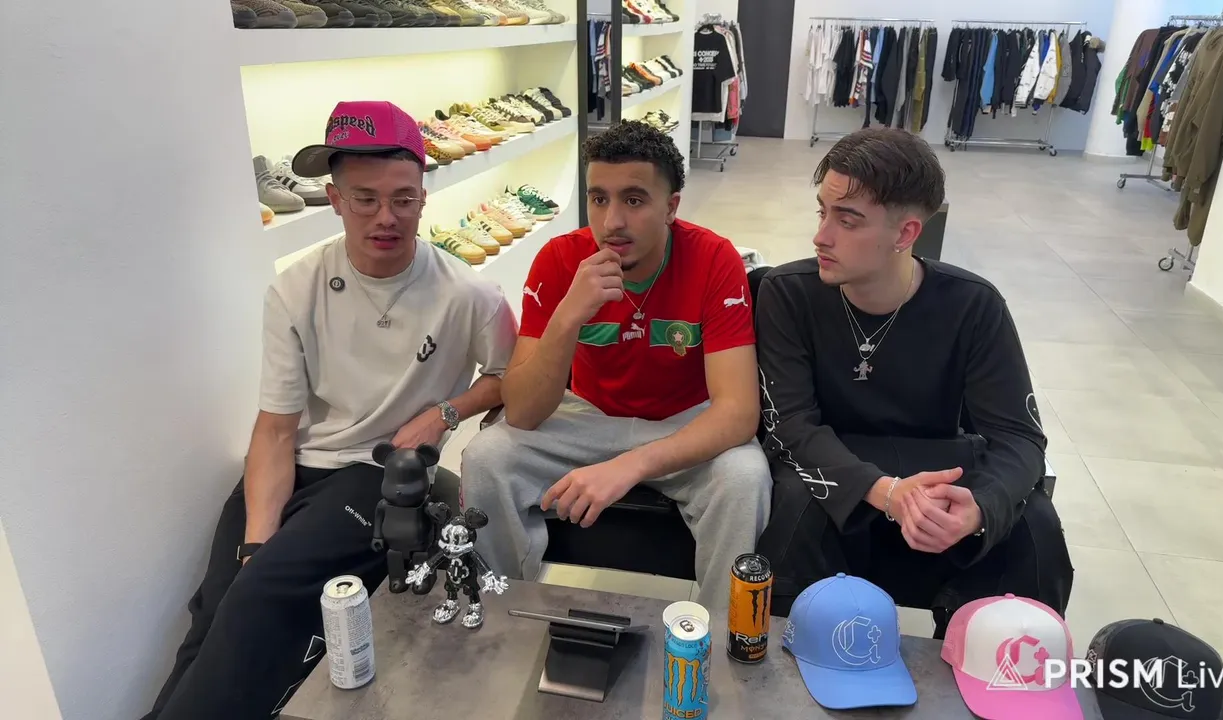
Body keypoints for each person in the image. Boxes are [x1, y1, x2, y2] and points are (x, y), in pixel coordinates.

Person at [145, 101, 517, 720]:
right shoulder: (296, 288)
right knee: (217, 605)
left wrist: (447, 412)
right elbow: (275, 430)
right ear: (336, 199)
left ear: (423, 199)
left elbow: (509, 377)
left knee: (257, 600)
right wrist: (256, 546)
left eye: (402, 199)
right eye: (365, 199)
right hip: (296, 466)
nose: (385, 217)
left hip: (375, 474)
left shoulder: (470, 295)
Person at [753, 128, 1073, 635]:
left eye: (847, 220)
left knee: (1033, 523)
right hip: (834, 471)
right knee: (796, 504)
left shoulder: (973, 306)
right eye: (822, 212)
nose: (821, 236)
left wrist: (979, 508)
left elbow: (1019, 436)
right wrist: (886, 492)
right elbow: (789, 424)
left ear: (905, 234)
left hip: (940, 469)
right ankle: (790, 657)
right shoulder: (789, 293)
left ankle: (993, 662)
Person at [459, 121, 771, 609]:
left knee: (745, 477)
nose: (612, 222)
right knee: (486, 457)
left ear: (671, 207)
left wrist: (628, 466)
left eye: (634, 199)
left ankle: (716, 634)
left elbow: (737, 412)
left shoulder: (715, 258)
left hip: (682, 422)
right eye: (598, 198)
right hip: (586, 417)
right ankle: (498, 612)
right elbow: (521, 412)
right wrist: (568, 316)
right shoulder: (560, 259)